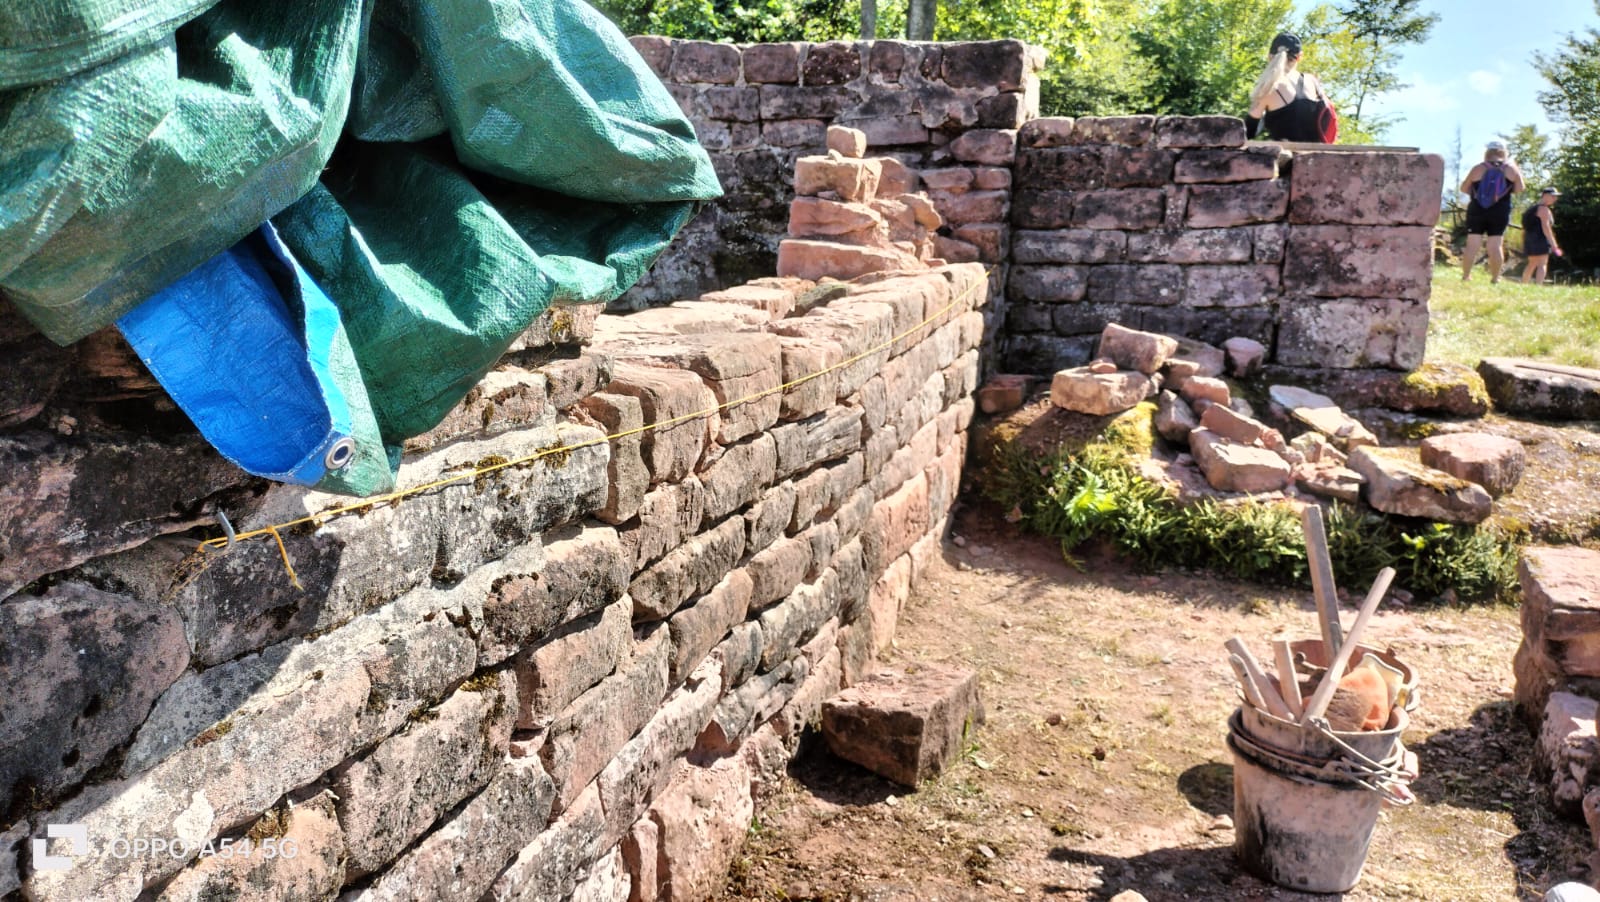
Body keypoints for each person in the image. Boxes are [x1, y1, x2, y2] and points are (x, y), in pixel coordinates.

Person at [1245, 33, 1333, 143]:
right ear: (1299, 57)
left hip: (1284, 153)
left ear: (1270, 56)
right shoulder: (1313, 82)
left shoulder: (1269, 87)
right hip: (1318, 152)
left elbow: (1248, 132)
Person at [1460, 141, 1525, 283]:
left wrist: (1480, 194)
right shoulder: (1511, 169)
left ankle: (1466, 276)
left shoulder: (1478, 168)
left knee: (1472, 244)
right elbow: (1520, 188)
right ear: (1504, 152)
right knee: (1495, 245)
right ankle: (1495, 278)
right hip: (1500, 210)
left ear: (1487, 152)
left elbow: (1464, 188)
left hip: (1477, 209)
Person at [1522, 187, 1563, 284]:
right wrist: (1554, 244)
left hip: (1529, 239)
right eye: (1553, 196)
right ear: (1545, 195)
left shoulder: (1531, 209)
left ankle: (1524, 284)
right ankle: (1538, 286)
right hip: (1540, 240)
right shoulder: (1544, 210)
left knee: (1531, 264)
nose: (1555, 199)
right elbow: (1546, 228)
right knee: (1542, 264)